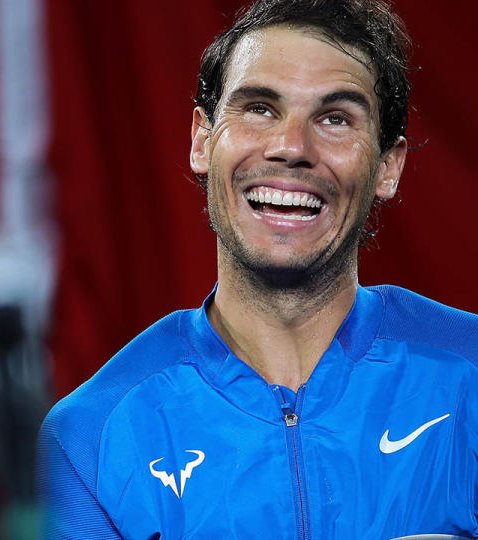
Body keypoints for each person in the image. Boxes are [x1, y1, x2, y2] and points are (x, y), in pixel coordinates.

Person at [37, 0, 478, 538]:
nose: (291, 147)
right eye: (259, 108)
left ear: (388, 166)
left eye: (335, 118)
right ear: (202, 140)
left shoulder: (468, 377)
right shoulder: (91, 435)